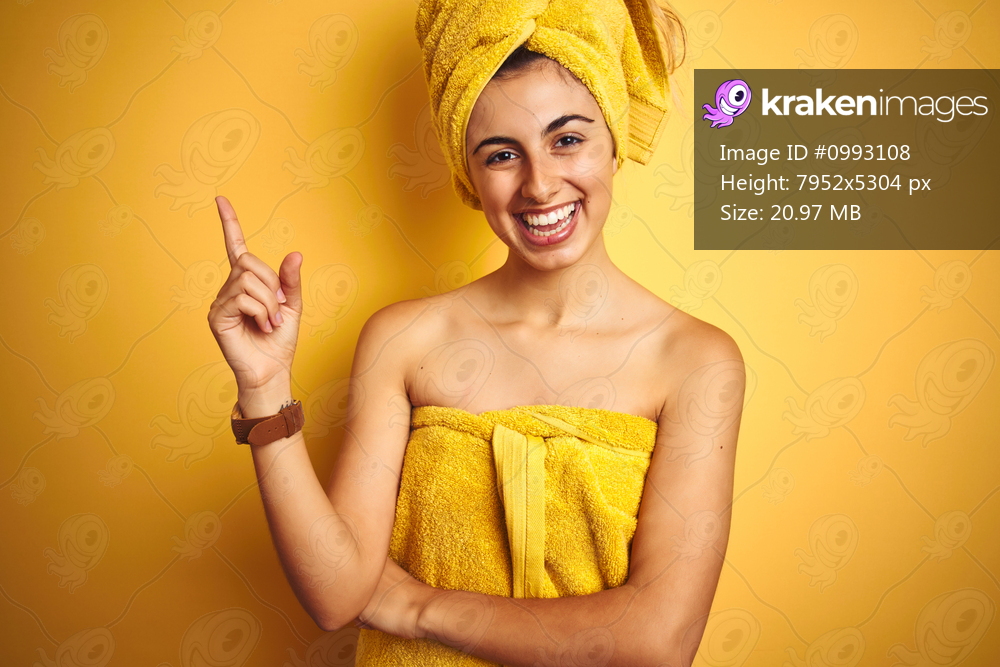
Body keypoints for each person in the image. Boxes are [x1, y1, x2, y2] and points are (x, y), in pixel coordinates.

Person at [207, 0, 745, 664]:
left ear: (612, 141)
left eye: (567, 139)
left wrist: (418, 607)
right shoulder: (403, 340)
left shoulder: (694, 360)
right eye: (500, 154)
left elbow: (658, 639)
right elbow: (337, 592)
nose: (541, 184)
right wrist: (263, 387)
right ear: (468, 172)